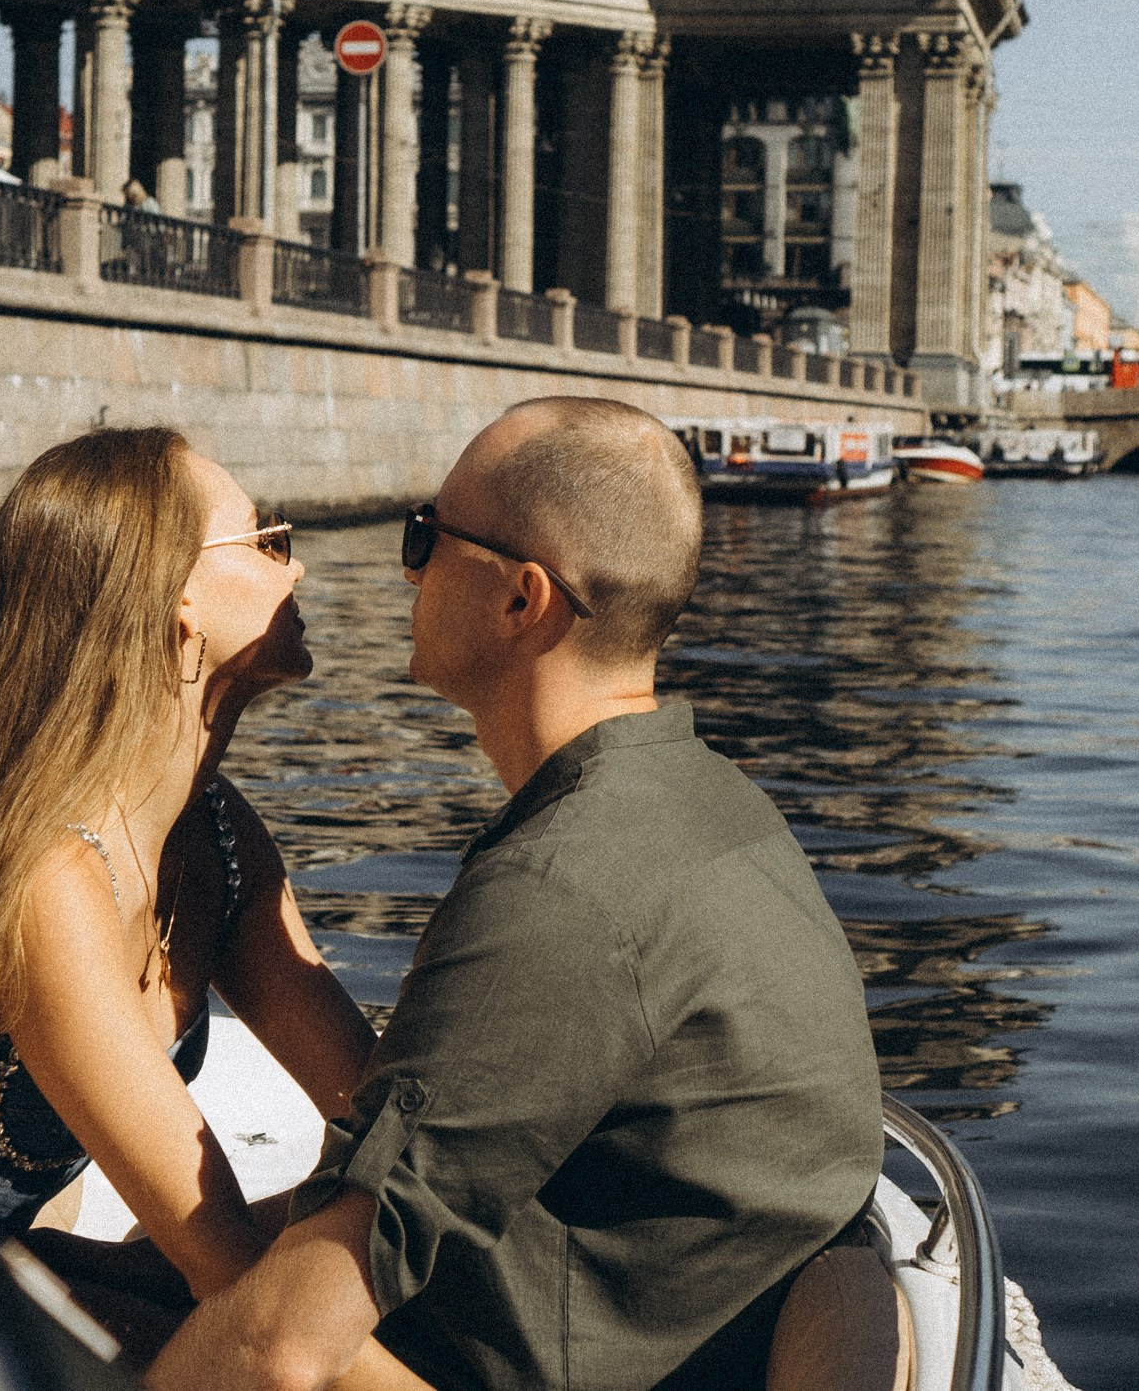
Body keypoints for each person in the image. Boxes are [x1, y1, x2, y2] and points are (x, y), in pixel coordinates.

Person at [149, 397, 885, 1391]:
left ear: (519, 601)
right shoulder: (710, 804)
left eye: (427, 539)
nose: (406, 569)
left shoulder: (566, 886)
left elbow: (280, 1350)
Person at [0, 428, 430, 1387]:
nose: (298, 570)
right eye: (266, 541)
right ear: (177, 602)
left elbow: (376, 1131)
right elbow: (246, 1301)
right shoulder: (48, 882)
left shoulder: (217, 835)